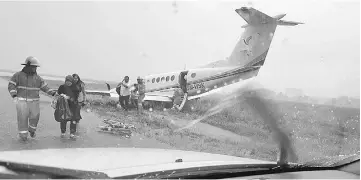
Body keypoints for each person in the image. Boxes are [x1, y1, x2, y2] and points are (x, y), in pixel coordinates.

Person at [8, 56, 57, 141]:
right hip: (21, 101)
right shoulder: (18, 75)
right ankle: (23, 136)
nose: (35, 69)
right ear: (27, 66)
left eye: (36, 67)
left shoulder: (38, 78)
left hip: (34, 102)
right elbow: (11, 85)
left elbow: (45, 87)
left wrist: (54, 93)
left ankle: (32, 130)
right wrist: (14, 96)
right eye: (33, 67)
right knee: (22, 118)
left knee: (35, 117)